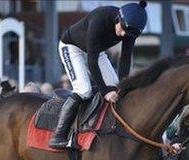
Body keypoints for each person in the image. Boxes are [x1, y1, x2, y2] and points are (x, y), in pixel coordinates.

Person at [49, 1, 148, 149]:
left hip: (96, 51)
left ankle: (107, 129)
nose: (122, 35)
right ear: (117, 20)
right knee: (84, 89)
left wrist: (122, 85)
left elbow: (125, 59)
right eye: (122, 30)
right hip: (72, 47)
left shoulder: (130, 29)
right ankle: (59, 135)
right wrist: (104, 91)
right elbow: (92, 63)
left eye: (126, 34)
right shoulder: (100, 18)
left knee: (116, 88)